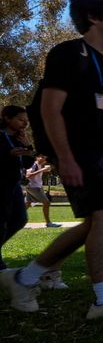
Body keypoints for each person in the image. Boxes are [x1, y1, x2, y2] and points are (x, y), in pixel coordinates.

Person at [0, 0, 103, 321]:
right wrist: (64, 157)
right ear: (94, 18)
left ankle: (23, 278)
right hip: (80, 151)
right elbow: (49, 108)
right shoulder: (68, 54)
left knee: (96, 224)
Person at [1, 106, 34, 272]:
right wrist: (9, 154)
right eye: (21, 119)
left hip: (14, 184)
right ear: (7, 118)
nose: (25, 123)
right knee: (2, 221)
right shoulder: (1, 136)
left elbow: (28, 163)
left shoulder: (18, 138)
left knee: (20, 219)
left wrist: (28, 147)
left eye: (26, 121)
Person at [24, 155, 62, 228]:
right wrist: (42, 170)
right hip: (34, 187)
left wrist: (45, 170)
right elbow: (28, 175)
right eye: (43, 157)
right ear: (38, 157)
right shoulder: (34, 164)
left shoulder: (39, 165)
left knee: (27, 205)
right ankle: (48, 223)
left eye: (45, 157)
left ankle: (15, 222)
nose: (45, 159)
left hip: (35, 186)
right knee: (46, 202)